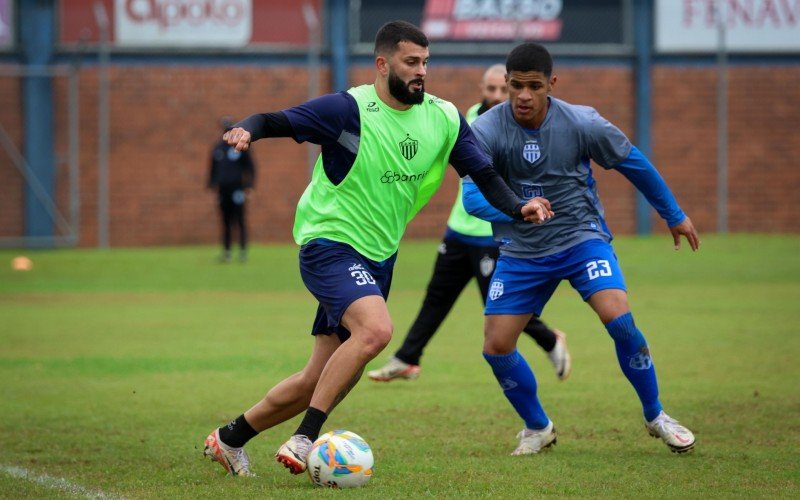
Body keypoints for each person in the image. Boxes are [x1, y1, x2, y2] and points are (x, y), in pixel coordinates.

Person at [202, 21, 552, 478]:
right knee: (376, 332)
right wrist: (246, 131)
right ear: (383, 64)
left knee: (318, 378)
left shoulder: (444, 118)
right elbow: (274, 121)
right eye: (411, 63)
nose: (421, 72)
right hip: (328, 243)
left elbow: (484, 175)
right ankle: (307, 437)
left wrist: (518, 206)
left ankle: (229, 440)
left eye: (425, 62)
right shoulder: (347, 110)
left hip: (379, 256)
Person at [462, 42, 700, 456]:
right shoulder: (486, 130)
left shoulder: (582, 123)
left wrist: (673, 213)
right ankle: (538, 427)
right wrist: (521, 210)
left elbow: (634, 162)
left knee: (620, 320)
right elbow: (471, 198)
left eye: (533, 87)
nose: (522, 96)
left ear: (551, 84)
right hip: (520, 250)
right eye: (515, 86)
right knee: (496, 347)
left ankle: (656, 414)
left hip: (580, 238)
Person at [367, 64, 571, 383]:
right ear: (482, 89)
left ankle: (550, 340)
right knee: (437, 297)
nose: (496, 96)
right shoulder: (469, 119)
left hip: (491, 233)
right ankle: (407, 358)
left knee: (500, 305)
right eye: (490, 90)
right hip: (459, 229)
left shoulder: (516, 128)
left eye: (502, 90)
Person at [208, 117, 255, 263]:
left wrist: (249, 186)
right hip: (223, 191)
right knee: (225, 222)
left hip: (237, 190)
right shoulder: (218, 148)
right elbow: (213, 170)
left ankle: (242, 251)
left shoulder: (240, 146)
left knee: (239, 221)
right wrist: (213, 186)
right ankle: (227, 252)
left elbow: (250, 167)